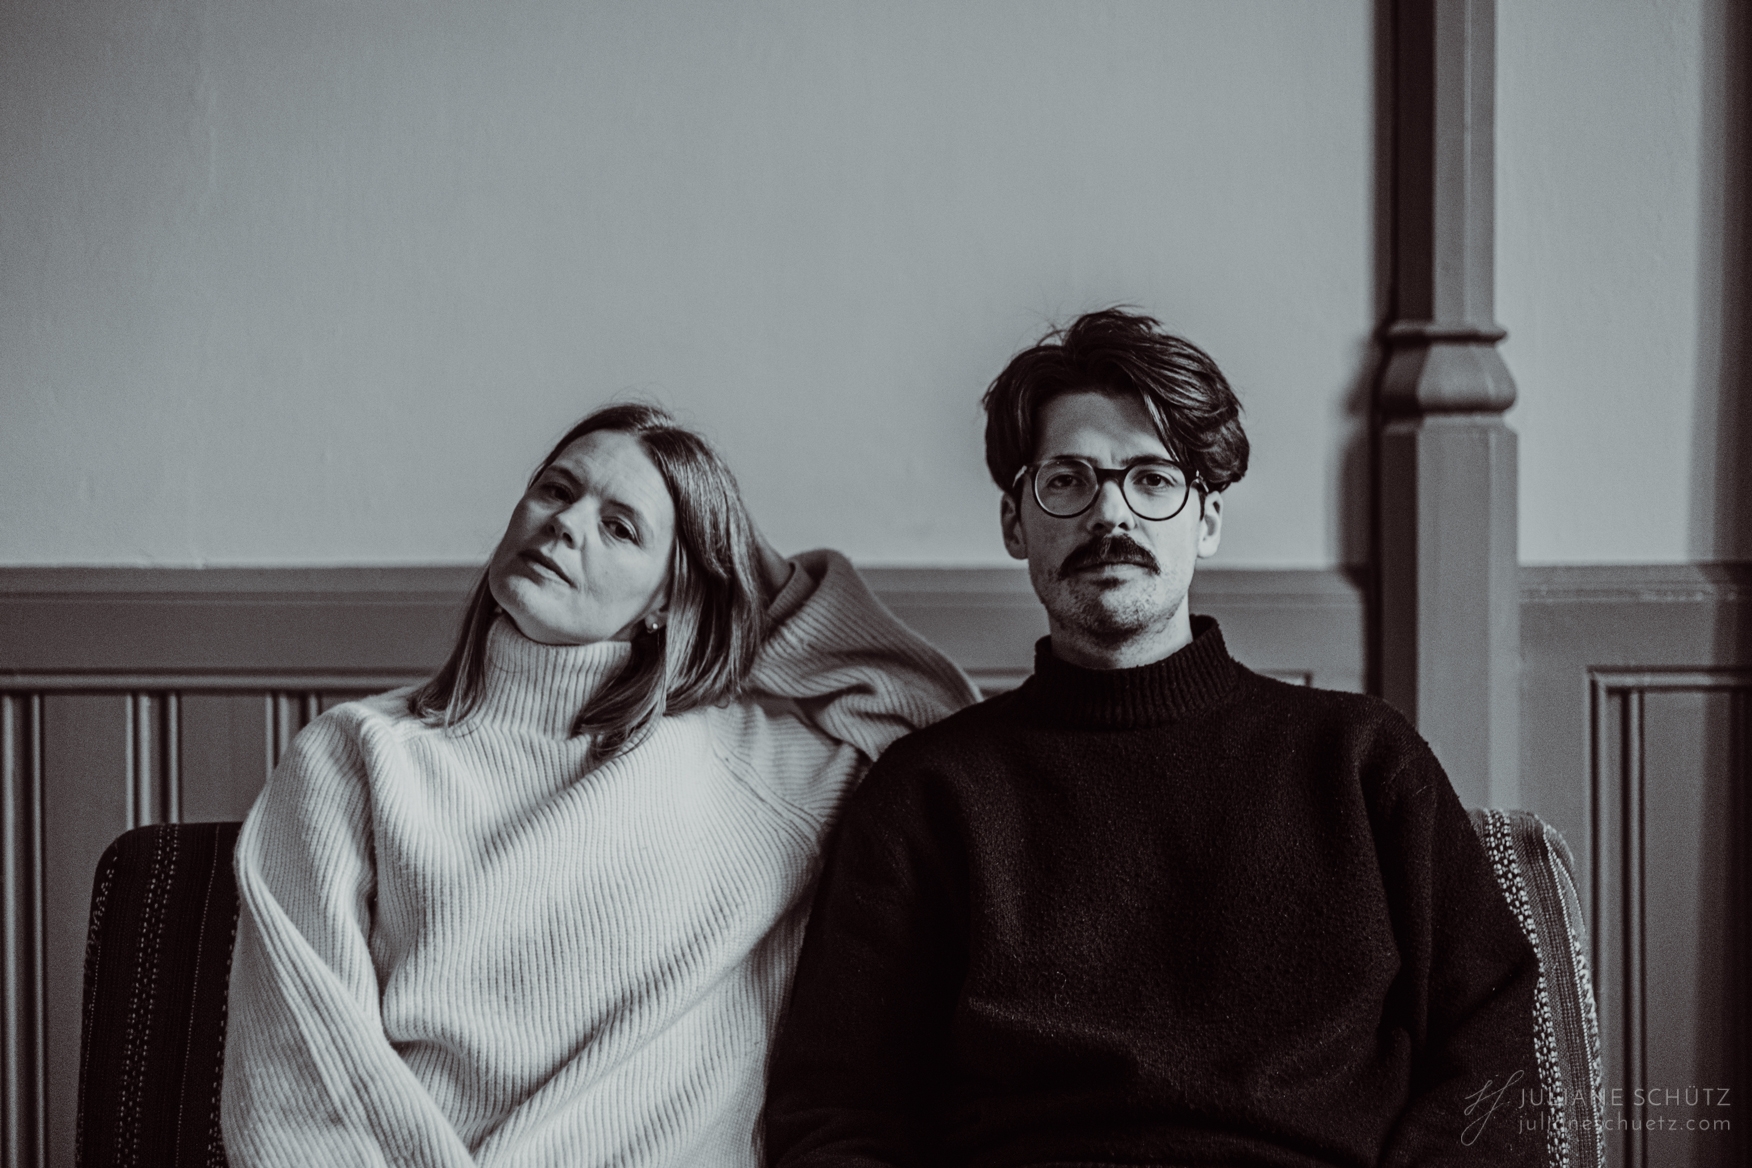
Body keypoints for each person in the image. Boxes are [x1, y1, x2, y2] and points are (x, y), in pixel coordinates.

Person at [765, 309, 1544, 1167]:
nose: (1111, 514)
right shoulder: (928, 793)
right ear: (1015, 521)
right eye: (1068, 480)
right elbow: (837, 1109)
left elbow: (1496, 1046)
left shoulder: (1359, 760)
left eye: (1151, 479)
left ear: (1206, 519)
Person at [221, 402, 979, 1167]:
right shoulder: (355, 755)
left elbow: (941, 734)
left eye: (620, 527)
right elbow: (300, 1088)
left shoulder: (758, 773)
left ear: (668, 598)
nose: (564, 524)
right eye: (556, 490)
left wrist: (751, 573)